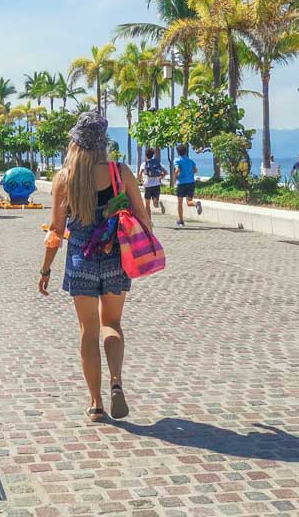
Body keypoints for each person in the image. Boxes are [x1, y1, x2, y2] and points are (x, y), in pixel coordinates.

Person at [40, 111, 155, 423]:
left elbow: (55, 230)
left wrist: (46, 269)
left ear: (76, 142)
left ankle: (95, 403)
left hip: (80, 259)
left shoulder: (64, 179)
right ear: (103, 143)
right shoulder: (120, 172)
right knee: (112, 325)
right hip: (117, 255)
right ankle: (116, 380)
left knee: (88, 331)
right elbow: (144, 218)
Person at [171, 143, 202, 228]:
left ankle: (181, 221)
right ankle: (196, 204)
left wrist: (174, 178)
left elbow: (177, 170)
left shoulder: (177, 160)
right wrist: (188, 173)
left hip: (181, 183)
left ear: (177, 152)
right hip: (191, 183)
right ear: (185, 152)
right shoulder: (190, 160)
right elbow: (195, 170)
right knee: (189, 202)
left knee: (180, 203)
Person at [138, 148, 166, 217]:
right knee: (155, 205)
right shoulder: (156, 163)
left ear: (146, 155)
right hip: (156, 185)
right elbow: (165, 172)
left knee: (147, 204)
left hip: (148, 185)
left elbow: (139, 174)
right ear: (152, 155)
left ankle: (149, 221)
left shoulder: (144, 164)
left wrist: (141, 180)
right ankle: (157, 201)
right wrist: (160, 179)